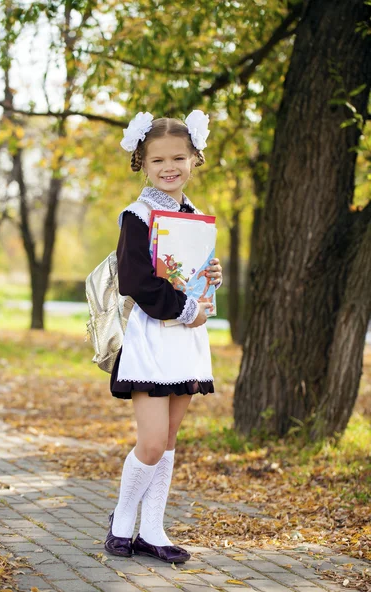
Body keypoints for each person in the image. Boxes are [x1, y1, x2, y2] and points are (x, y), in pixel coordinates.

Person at [105, 109, 223, 564]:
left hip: (187, 341)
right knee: (151, 442)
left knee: (169, 442)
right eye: (158, 160)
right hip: (152, 340)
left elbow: (193, 277)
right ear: (142, 162)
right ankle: (120, 522)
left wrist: (212, 277)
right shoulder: (137, 216)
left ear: (195, 159)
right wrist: (186, 308)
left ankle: (152, 530)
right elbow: (135, 280)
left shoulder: (195, 216)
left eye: (179, 157)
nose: (169, 167)